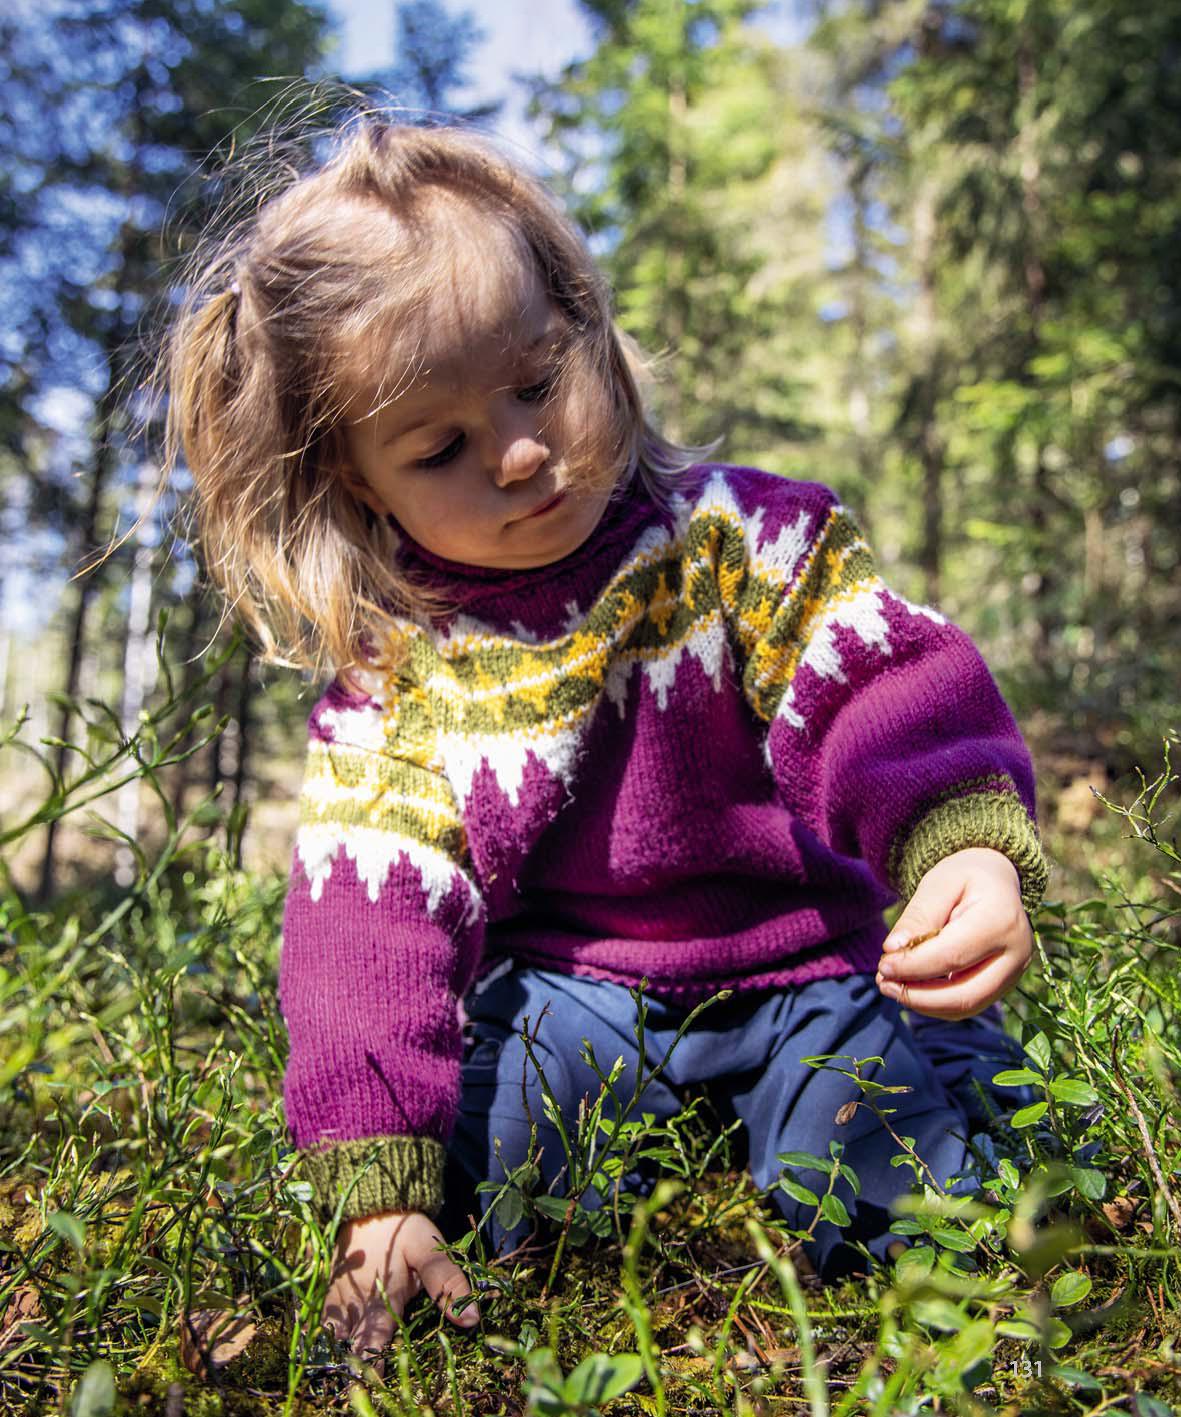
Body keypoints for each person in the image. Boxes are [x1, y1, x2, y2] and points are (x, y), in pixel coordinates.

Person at [164, 115, 1048, 1361]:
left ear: (583, 326)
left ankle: (930, 1151)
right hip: (574, 995)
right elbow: (369, 920)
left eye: (536, 382)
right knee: (497, 1166)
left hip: (813, 959)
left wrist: (955, 844)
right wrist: (380, 1186)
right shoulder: (399, 669)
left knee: (903, 1153)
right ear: (358, 479)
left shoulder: (740, 540)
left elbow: (873, 681)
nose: (521, 451)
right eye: (442, 447)